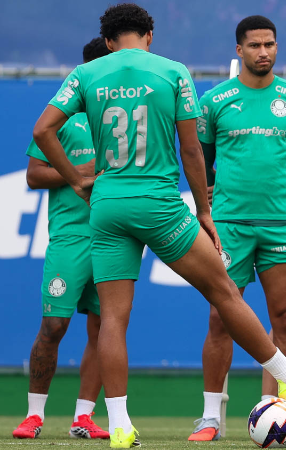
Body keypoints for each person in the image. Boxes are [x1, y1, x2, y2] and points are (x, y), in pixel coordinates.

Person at [32, 4, 286, 448]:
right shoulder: (173, 72)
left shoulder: (86, 74)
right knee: (223, 292)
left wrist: (79, 179)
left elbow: (43, 131)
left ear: (111, 40)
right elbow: (193, 152)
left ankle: (119, 425)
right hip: (158, 204)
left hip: (108, 205)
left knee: (113, 318)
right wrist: (203, 211)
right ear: (149, 35)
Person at [188, 14, 286, 442]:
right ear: (239, 50)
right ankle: (211, 417)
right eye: (254, 45)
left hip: (283, 224)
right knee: (220, 318)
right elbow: (204, 161)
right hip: (228, 225)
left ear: (277, 48)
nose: (263, 52)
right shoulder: (215, 101)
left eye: (270, 44)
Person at [13, 37, 111, 442]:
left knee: (106, 329)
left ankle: (83, 418)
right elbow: (34, 175)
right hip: (70, 238)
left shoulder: (126, 118)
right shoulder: (62, 119)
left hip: (114, 236)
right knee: (53, 326)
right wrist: (81, 171)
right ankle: (34, 415)